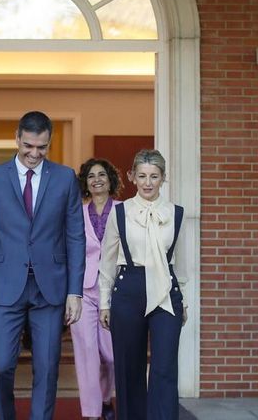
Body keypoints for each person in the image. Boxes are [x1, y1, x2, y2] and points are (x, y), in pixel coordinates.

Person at [0, 110, 86, 420]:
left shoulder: (64, 178)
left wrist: (75, 291)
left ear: (50, 143)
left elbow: (75, 237)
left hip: (50, 288)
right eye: (29, 146)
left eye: (42, 147)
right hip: (4, 287)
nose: (35, 154)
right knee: (0, 366)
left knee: (47, 368)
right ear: (17, 139)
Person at [99, 150, 187, 420]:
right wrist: (104, 302)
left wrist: (182, 301)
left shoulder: (176, 214)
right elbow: (107, 261)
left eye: (154, 176)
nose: (148, 183)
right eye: (142, 176)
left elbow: (179, 264)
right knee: (129, 368)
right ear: (132, 177)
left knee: (164, 368)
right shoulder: (120, 213)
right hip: (128, 289)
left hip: (165, 291)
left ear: (163, 178)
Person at [72, 158, 122, 420]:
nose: (96, 180)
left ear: (110, 179)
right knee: (86, 354)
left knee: (113, 355)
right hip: (84, 290)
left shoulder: (125, 210)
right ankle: (91, 412)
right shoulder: (76, 213)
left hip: (117, 290)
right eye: (91, 176)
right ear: (85, 183)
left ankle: (104, 397)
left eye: (102, 174)